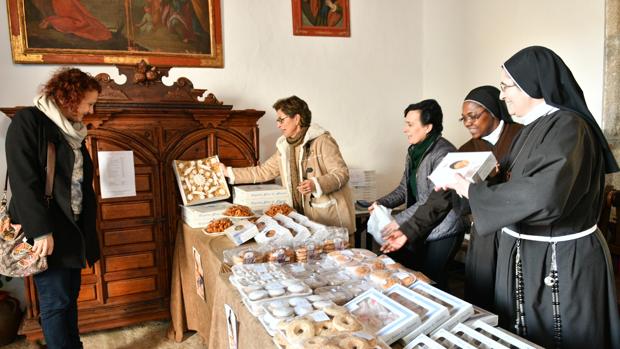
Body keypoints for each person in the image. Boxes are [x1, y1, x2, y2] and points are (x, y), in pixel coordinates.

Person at [442, 46, 620, 349]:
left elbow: (545, 195)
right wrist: (489, 177)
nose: (503, 95)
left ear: (533, 84)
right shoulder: (533, 128)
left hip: (559, 261)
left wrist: (470, 189)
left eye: (507, 86)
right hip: (533, 253)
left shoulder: (569, 127)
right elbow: (517, 179)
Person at [382, 86, 522, 308]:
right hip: (484, 233)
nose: (468, 123)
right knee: (482, 289)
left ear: (494, 112)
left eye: (473, 116)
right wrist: (408, 230)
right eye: (463, 118)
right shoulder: (466, 150)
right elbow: (440, 195)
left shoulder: (521, 137)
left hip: (518, 232)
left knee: (515, 292)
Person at [6, 67, 102, 349]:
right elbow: (23, 183)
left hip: (73, 229)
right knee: (55, 303)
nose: (91, 109)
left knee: (69, 298)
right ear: (71, 97)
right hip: (47, 230)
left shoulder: (71, 130)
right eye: (89, 102)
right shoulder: (28, 122)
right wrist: (41, 231)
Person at [219, 96, 356, 244]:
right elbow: (263, 171)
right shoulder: (285, 147)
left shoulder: (323, 141)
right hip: (304, 222)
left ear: (296, 118)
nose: (278, 125)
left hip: (331, 221)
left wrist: (315, 184)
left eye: (281, 119)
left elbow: (341, 173)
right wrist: (227, 171)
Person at [372, 99, 466, 289]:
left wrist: (398, 221)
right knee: (414, 274)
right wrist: (381, 203)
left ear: (428, 127)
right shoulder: (414, 151)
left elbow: (431, 198)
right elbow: (403, 189)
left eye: (410, 124)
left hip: (444, 228)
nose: (405, 129)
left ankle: (444, 315)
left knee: (432, 279)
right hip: (421, 224)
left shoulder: (444, 153)